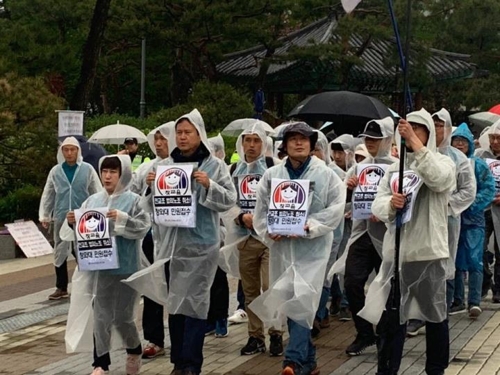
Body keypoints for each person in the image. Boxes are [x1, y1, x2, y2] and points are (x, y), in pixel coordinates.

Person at [359, 108, 456, 375]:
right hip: (397, 255)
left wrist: (415, 144)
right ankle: (387, 369)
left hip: (429, 253)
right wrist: (391, 203)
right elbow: (377, 205)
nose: (410, 133)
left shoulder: (443, 161)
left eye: (418, 128)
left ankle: (436, 368)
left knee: (435, 316)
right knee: (392, 318)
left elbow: (439, 179)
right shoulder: (393, 168)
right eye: (406, 128)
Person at [139, 109, 236, 375]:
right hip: (172, 246)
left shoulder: (214, 165)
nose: (181, 137)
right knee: (176, 305)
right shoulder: (164, 166)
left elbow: (229, 199)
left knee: (194, 305)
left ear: (199, 135)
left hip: (202, 246)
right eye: (178, 133)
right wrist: (150, 187)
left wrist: (208, 185)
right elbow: (147, 207)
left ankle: (191, 364)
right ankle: (178, 361)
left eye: (187, 132)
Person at [250, 122, 345, 375]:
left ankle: (292, 362)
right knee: (292, 305)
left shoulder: (326, 174)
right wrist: (268, 230)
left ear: (312, 144)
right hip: (282, 250)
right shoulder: (272, 176)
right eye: (293, 139)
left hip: (312, 252)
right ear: (285, 145)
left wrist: (309, 226)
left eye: (304, 139)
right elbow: (260, 212)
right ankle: (310, 362)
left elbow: (335, 209)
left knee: (303, 301)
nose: (299, 143)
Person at [62, 155, 151, 375]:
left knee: (122, 317)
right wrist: (72, 221)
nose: (108, 176)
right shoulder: (92, 201)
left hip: (127, 266)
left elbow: (142, 227)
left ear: (124, 174)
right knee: (101, 316)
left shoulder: (134, 200)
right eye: (104, 171)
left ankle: (134, 348)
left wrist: (122, 219)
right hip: (100, 268)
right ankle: (100, 363)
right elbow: (81, 234)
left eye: (113, 172)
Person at [406, 108, 476, 335]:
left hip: (447, 220)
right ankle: (417, 315)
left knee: (442, 266)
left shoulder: (457, 158)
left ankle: (438, 313)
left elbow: (468, 190)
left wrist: (447, 205)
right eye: (432, 125)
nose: (437, 130)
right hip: (417, 221)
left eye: (440, 125)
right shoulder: (409, 157)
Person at [334, 117, 396, 356]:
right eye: (367, 138)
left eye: (375, 138)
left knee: (386, 287)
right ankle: (364, 332)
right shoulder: (357, 167)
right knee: (351, 282)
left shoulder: (396, 166)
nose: (370, 143)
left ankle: (384, 332)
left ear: (387, 139)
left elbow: (405, 201)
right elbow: (340, 202)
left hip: (387, 235)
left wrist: (386, 211)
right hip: (361, 234)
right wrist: (348, 188)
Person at [220, 122, 283, 356]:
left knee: (270, 287)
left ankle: (276, 332)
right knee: (250, 291)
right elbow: (226, 202)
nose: (252, 145)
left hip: (270, 239)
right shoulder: (232, 170)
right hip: (245, 238)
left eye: (257, 140)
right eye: (248, 140)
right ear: (242, 143)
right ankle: (255, 336)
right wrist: (240, 216)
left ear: (264, 143)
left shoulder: (274, 167)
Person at [130, 122, 174, 359]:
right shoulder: (147, 168)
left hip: (177, 240)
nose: (158, 144)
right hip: (152, 237)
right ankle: (154, 339)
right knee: (151, 289)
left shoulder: (184, 166)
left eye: (163, 139)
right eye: (156, 139)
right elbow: (134, 199)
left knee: (177, 289)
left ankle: (181, 339)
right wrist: (148, 185)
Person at [39, 136, 102, 300]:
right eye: (66, 150)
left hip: (83, 217)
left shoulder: (87, 169)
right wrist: (45, 215)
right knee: (60, 250)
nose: (69, 153)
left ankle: (87, 282)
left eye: (72, 149)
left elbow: (97, 190)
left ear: (77, 151)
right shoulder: (56, 171)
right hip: (61, 216)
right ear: (62, 152)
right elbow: (49, 193)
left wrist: (99, 212)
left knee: (82, 249)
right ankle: (61, 286)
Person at [450, 123, 495, 318]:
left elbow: (488, 188)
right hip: (452, 218)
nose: (459, 145)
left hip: (474, 219)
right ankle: (457, 300)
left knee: (475, 260)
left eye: (462, 141)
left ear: (469, 143)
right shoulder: (447, 162)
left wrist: (472, 204)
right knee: (455, 260)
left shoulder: (478, 164)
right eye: (456, 141)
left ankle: (474, 301)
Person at [328, 134, 360, 320]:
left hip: (355, 224)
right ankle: (336, 298)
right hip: (336, 223)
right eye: (335, 151)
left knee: (349, 261)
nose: (338, 156)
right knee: (333, 261)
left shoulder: (358, 169)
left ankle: (347, 302)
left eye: (342, 151)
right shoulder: (329, 171)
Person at [475, 120, 500, 302]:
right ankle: (484, 282)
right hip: (483, 209)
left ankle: (498, 289)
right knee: (480, 249)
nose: (496, 142)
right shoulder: (480, 155)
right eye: (493, 138)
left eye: (499, 138)